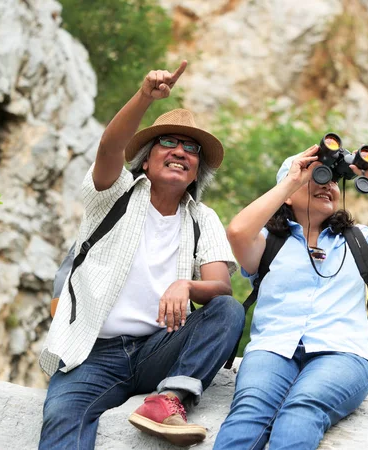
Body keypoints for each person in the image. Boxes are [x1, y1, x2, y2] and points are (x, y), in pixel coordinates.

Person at [38, 60, 245, 449]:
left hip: (159, 349)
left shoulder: (203, 217)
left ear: (197, 168)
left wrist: (185, 284)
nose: (180, 151)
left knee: (227, 311)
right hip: (93, 354)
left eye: (191, 148)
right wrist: (144, 97)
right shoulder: (114, 195)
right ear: (146, 159)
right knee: (62, 417)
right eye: (168, 142)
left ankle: (169, 399)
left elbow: (220, 288)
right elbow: (109, 146)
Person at [214, 144, 368, 449]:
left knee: (301, 411)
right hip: (273, 348)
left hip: (342, 354)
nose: (328, 185)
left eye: (333, 181)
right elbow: (236, 231)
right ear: (289, 189)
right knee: (248, 413)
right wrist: (294, 177)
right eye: (316, 177)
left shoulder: (358, 241)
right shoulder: (267, 243)